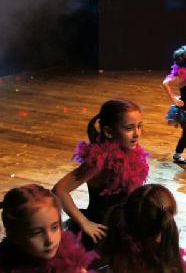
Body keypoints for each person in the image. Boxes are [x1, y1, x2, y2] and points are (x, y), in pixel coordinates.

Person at [53, 99, 148, 251]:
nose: (137, 133)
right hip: (102, 231)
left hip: (123, 226)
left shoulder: (131, 153)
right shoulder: (100, 161)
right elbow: (60, 189)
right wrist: (84, 223)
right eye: (129, 128)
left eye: (139, 126)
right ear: (109, 132)